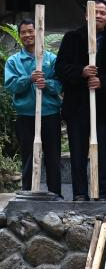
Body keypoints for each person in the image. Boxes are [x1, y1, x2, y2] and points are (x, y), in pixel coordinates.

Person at [55, 0, 106, 201]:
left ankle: (102, 193)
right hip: (77, 106)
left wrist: (102, 82)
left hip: (103, 108)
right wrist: (81, 72)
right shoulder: (72, 38)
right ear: (86, 15)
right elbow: (60, 68)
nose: (98, 16)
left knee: (103, 153)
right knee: (78, 153)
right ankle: (80, 193)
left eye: (102, 12)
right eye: (94, 12)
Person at [4, 19, 62, 196]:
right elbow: (11, 86)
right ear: (20, 35)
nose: (28, 35)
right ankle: (28, 193)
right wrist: (29, 78)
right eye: (23, 32)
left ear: (39, 33)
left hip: (50, 114)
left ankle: (55, 194)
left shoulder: (52, 59)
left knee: (53, 157)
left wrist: (47, 84)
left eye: (31, 31)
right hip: (26, 116)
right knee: (28, 156)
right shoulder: (14, 61)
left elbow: (60, 85)